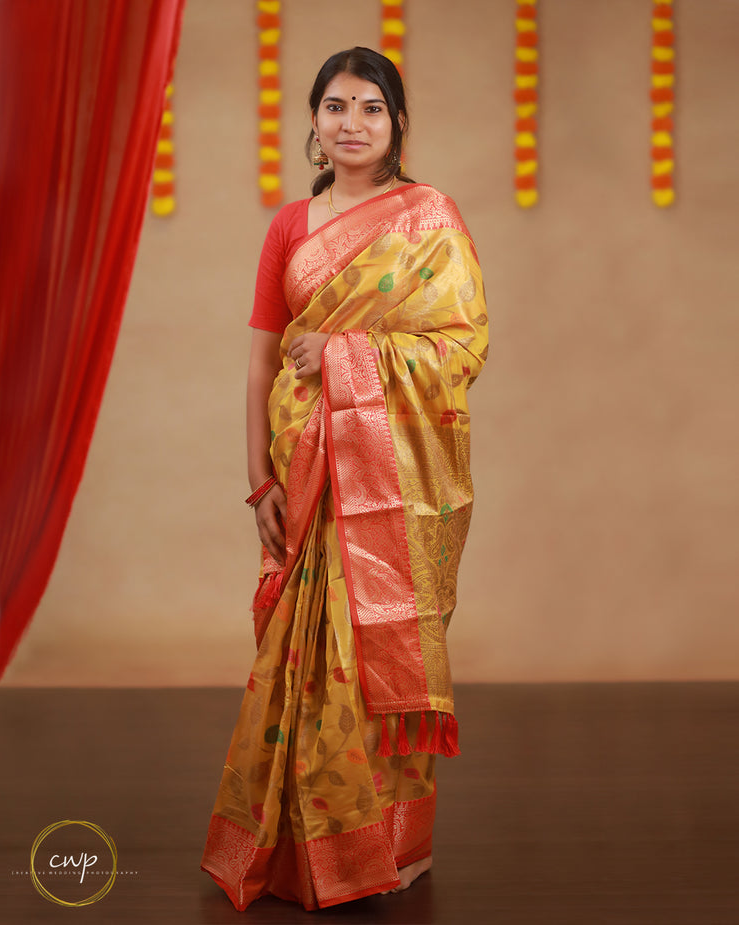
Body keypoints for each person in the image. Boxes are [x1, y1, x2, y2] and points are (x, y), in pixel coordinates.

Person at [200, 46, 488, 912]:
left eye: (370, 107)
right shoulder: (291, 225)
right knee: (302, 656)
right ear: (314, 122)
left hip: (392, 484)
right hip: (306, 469)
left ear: (398, 122)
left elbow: (461, 346)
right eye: (335, 106)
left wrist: (346, 351)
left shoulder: (430, 218)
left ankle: (384, 845)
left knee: (374, 653)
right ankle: (302, 842)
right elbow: (258, 365)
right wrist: (259, 480)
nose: (352, 123)